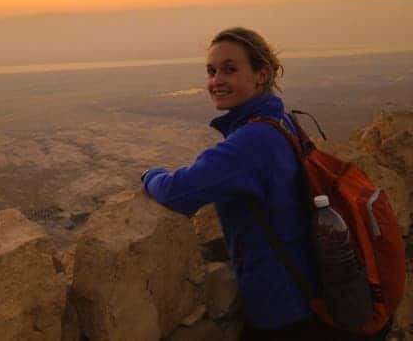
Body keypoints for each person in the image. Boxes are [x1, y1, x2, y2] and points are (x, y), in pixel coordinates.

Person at [140, 27, 391, 341]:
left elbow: (178, 192)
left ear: (262, 74)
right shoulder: (281, 120)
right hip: (307, 295)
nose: (216, 80)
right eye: (211, 71)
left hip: (282, 312)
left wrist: (149, 175)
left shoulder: (253, 142)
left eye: (230, 69)